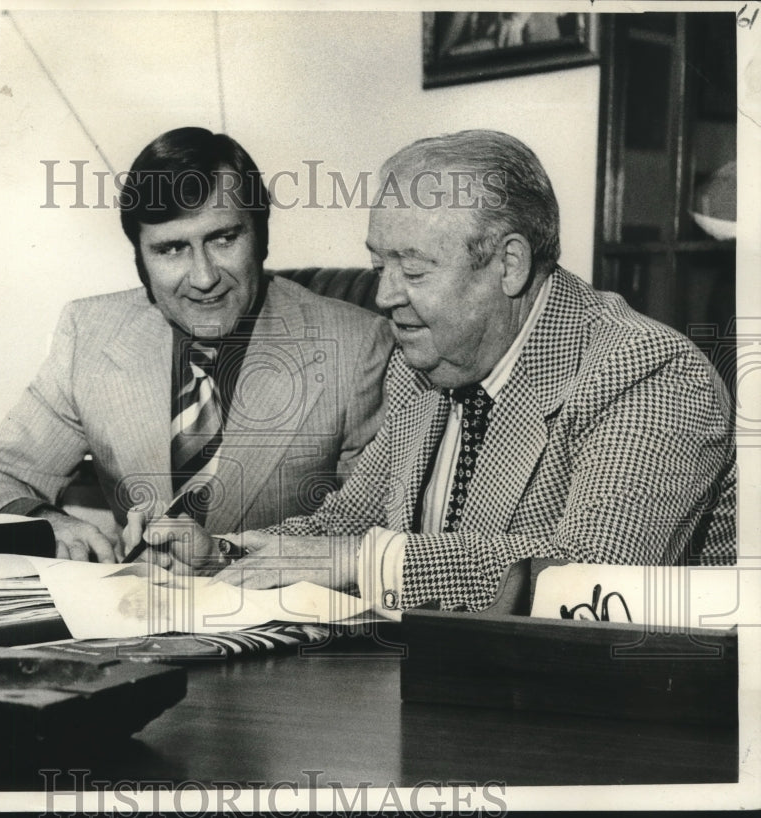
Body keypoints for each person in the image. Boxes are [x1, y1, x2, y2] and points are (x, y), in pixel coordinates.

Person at [140, 129, 737, 614]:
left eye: (414, 271)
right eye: (379, 266)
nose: (386, 296)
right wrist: (221, 553)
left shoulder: (646, 370)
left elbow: (584, 579)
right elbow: (343, 524)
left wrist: (367, 564)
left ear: (508, 264)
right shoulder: (425, 364)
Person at [0, 127, 393, 563]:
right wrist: (46, 521)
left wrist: (224, 557)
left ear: (261, 235)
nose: (203, 278)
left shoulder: (353, 347)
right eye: (171, 249)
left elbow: (376, 537)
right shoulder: (90, 332)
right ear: (140, 260)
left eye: (223, 239)